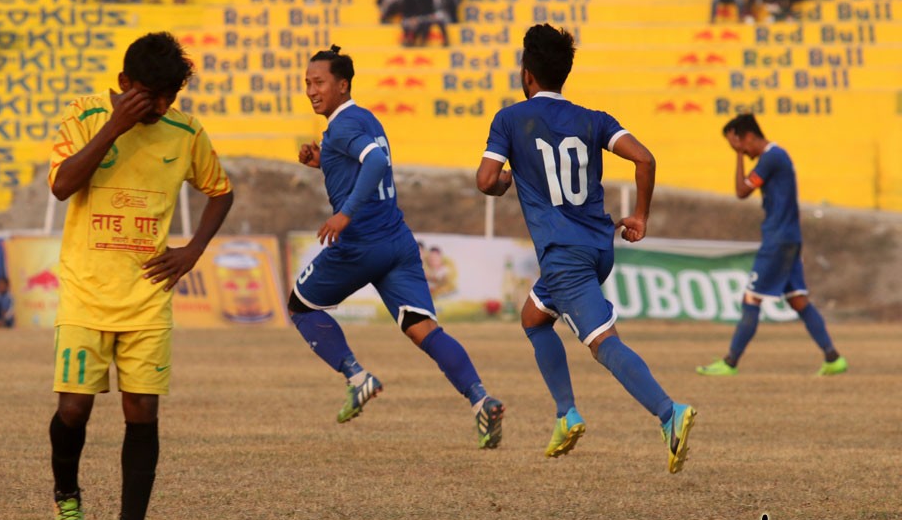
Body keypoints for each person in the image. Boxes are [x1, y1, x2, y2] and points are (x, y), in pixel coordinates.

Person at [47, 31, 234, 520]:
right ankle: (67, 501)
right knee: (73, 408)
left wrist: (192, 250)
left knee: (142, 411)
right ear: (125, 84)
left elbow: (221, 191)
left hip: (147, 296)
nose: (160, 106)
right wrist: (114, 126)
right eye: (150, 94)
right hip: (85, 290)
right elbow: (62, 187)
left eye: (169, 96)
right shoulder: (84, 118)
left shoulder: (184, 132)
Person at [475, 24, 697, 473]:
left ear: (526, 75)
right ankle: (565, 414)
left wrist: (504, 181)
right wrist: (640, 216)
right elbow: (645, 159)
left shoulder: (510, 119)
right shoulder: (594, 118)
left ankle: (669, 412)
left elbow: (485, 180)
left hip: (564, 253)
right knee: (534, 318)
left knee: (602, 343)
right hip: (598, 247)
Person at [293, 44, 504, 449]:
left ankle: (357, 376)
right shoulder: (366, 119)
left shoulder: (342, 126)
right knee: (422, 327)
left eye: (318, 82)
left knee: (300, 305)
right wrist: (323, 160)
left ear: (342, 85)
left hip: (360, 245)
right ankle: (481, 399)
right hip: (397, 241)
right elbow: (361, 161)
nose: (311, 90)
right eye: (306, 83)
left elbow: (373, 164)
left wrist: (345, 215)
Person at [696, 113, 846, 377]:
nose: (739, 149)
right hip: (789, 237)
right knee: (799, 300)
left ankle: (730, 362)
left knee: (751, 298)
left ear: (749, 136)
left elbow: (742, 191)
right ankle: (833, 358)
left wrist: (739, 156)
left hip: (777, 239)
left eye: (738, 143)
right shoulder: (777, 157)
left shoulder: (771, 158)